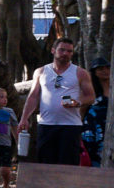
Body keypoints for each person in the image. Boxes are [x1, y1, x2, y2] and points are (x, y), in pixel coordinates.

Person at [17, 38, 94, 167]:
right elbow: (33, 97)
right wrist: (24, 118)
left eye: (69, 51)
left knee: (68, 165)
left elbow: (91, 97)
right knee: (46, 164)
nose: (65, 53)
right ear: (53, 50)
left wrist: (78, 102)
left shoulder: (80, 73)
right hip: (46, 124)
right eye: (62, 50)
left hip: (70, 126)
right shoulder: (41, 72)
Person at [82, 64, 111, 166]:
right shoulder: (90, 88)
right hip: (92, 126)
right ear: (95, 72)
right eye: (101, 68)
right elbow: (82, 108)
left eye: (108, 68)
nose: (105, 71)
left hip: (111, 125)